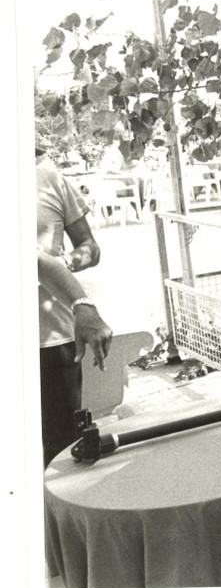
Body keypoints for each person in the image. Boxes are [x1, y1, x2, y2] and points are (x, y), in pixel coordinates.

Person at [36, 155, 114, 467]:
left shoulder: (48, 179)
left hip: (53, 341)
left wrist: (63, 265)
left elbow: (90, 247)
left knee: (64, 455)